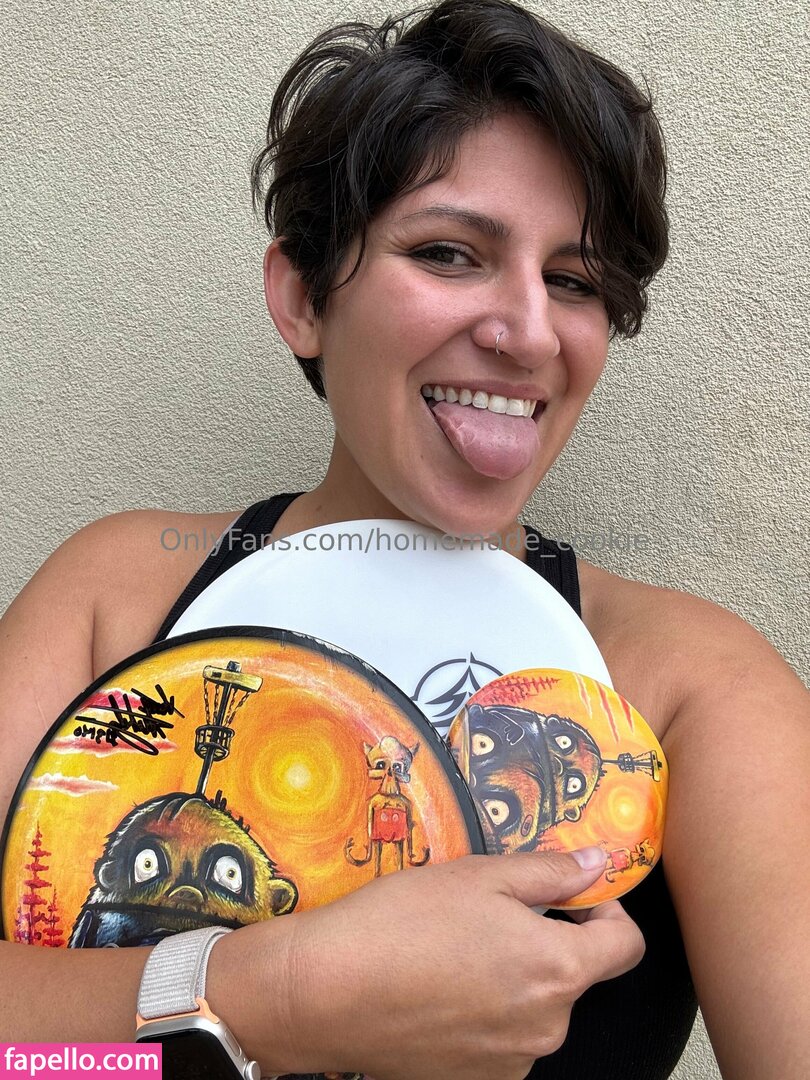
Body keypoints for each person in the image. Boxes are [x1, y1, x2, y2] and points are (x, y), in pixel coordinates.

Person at [0, 1, 807, 1078]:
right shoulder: (115, 595)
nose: (528, 332)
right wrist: (280, 997)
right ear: (303, 297)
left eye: (573, 281)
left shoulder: (700, 687)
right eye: (448, 253)